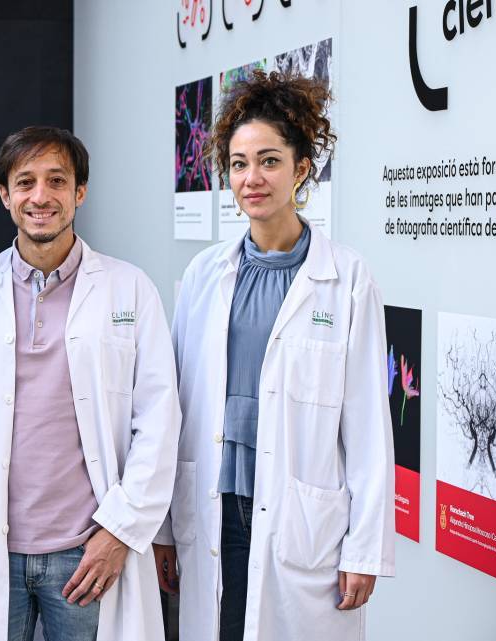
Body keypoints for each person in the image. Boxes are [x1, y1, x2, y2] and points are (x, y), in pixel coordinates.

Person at [0, 126, 180, 641]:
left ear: (79, 193)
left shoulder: (130, 289)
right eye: (25, 181)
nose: (41, 196)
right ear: (5, 196)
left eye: (57, 180)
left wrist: (120, 530)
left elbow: (160, 422)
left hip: (86, 551)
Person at [153, 71, 395, 641]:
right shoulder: (202, 274)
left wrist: (364, 545)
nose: (251, 178)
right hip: (214, 505)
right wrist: (165, 528)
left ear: (301, 168)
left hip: (300, 520)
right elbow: (176, 409)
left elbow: (367, 426)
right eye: (238, 164)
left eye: (268, 160)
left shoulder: (347, 277)